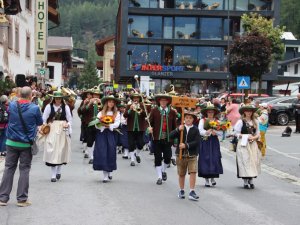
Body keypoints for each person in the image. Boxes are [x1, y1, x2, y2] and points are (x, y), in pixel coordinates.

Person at [0, 87, 43, 207]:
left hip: (11, 142)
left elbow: (8, 113)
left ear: (19, 95)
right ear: (30, 96)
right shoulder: (34, 108)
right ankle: (21, 199)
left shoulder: (13, 105)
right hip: (26, 143)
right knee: (24, 170)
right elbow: (39, 123)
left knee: (9, 168)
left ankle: (3, 198)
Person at [169, 110, 201, 201]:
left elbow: (197, 141)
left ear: (193, 120)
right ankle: (181, 190)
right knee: (181, 173)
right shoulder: (180, 128)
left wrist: (186, 145)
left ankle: (192, 191)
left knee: (193, 171)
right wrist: (177, 130)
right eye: (186, 118)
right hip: (180, 154)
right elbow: (170, 136)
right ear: (184, 119)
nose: (188, 119)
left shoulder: (195, 129)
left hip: (192, 154)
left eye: (190, 118)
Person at [42, 91, 72, 182]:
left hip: (62, 129)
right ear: (54, 98)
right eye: (56, 98)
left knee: (60, 150)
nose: (58, 100)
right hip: (52, 129)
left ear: (62, 99)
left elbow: (70, 119)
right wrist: (45, 127)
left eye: (59, 99)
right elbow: (44, 119)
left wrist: (68, 125)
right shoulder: (48, 107)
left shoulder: (65, 107)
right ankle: (53, 175)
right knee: (52, 150)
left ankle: (58, 170)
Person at [148, 94, 177, 185]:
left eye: (165, 101)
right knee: (157, 157)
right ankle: (159, 177)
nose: (163, 102)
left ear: (168, 102)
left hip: (168, 138)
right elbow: (149, 122)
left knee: (168, 158)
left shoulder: (172, 112)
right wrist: (149, 128)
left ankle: (163, 170)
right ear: (159, 102)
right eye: (161, 101)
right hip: (157, 137)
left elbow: (174, 126)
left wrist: (175, 139)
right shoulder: (154, 111)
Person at [93, 95, 120, 183]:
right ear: (106, 103)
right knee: (103, 152)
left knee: (111, 152)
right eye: (109, 102)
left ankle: (109, 170)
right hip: (102, 134)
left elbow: (117, 123)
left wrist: (110, 126)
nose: (111, 103)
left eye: (112, 102)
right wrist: (102, 125)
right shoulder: (101, 113)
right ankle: (105, 175)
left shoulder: (116, 113)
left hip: (111, 134)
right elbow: (96, 124)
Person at [234, 105, 261, 189]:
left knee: (253, 161)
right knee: (244, 160)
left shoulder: (255, 121)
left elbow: (258, 133)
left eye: (250, 111)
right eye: (247, 111)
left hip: (252, 143)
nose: (249, 112)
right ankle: (245, 181)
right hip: (243, 143)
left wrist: (253, 137)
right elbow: (236, 133)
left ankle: (251, 180)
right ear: (244, 112)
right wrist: (245, 136)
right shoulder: (241, 122)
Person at [198, 105, 223, 187]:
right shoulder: (202, 120)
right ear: (206, 113)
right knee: (206, 159)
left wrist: (215, 132)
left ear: (214, 113)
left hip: (214, 142)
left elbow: (221, 133)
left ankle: (213, 178)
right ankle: (206, 180)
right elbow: (200, 131)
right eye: (209, 112)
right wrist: (207, 132)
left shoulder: (217, 121)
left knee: (215, 158)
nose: (210, 113)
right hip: (205, 141)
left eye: (212, 112)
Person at [123, 92, 147, 166]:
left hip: (140, 128)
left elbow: (146, 115)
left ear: (139, 99)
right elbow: (125, 115)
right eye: (134, 98)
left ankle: (137, 154)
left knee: (141, 143)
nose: (136, 99)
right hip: (131, 128)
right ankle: (132, 160)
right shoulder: (129, 105)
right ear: (132, 99)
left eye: (137, 98)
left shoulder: (142, 105)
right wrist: (130, 109)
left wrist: (141, 110)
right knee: (131, 144)